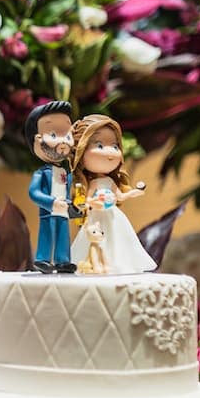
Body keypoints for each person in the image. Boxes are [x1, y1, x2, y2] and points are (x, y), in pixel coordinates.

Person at [68, 114, 156, 275]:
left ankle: (116, 263)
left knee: (119, 240)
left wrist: (135, 192)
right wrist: (94, 203)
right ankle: (96, 264)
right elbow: (87, 201)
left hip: (113, 215)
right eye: (100, 145)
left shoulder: (110, 181)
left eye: (115, 146)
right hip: (97, 219)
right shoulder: (93, 183)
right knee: (95, 242)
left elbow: (120, 197)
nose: (111, 153)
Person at [25, 101, 78, 274]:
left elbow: (68, 191)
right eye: (54, 134)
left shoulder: (66, 172)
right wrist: (51, 202)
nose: (63, 141)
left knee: (63, 235)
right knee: (47, 232)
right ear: (37, 140)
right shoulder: (42, 173)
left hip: (63, 210)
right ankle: (43, 259)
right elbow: (34, 193)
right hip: (49, 210)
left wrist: (72, 205)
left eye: (67, 135)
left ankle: (63, 260)